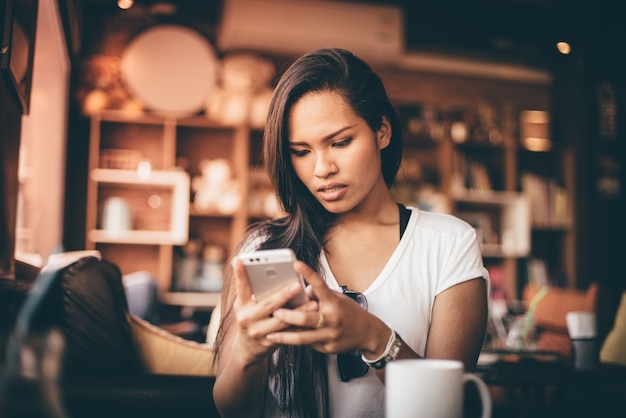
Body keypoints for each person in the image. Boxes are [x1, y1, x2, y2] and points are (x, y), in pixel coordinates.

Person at [212, 47, 489, 418]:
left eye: (340, 142)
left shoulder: (448, 243)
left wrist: (374, 338)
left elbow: (446, 409)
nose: (322, 168)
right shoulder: (264, 248)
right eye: (300, 151)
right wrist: (247, 350)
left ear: (382, 131)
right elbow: (234, 412)